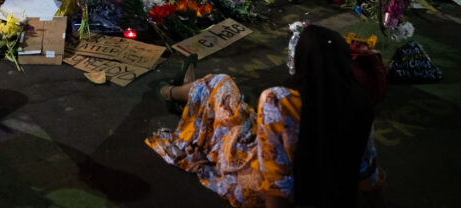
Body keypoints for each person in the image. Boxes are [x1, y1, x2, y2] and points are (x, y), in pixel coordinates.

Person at [148, 25, 385, 208]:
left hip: (254, 181)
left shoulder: (281, 100)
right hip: (325, 196)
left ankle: (168, 92)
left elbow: (276, 179)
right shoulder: (358, 103)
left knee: (221, 85)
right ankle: (189, 90)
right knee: (230, 106)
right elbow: (367, 172)